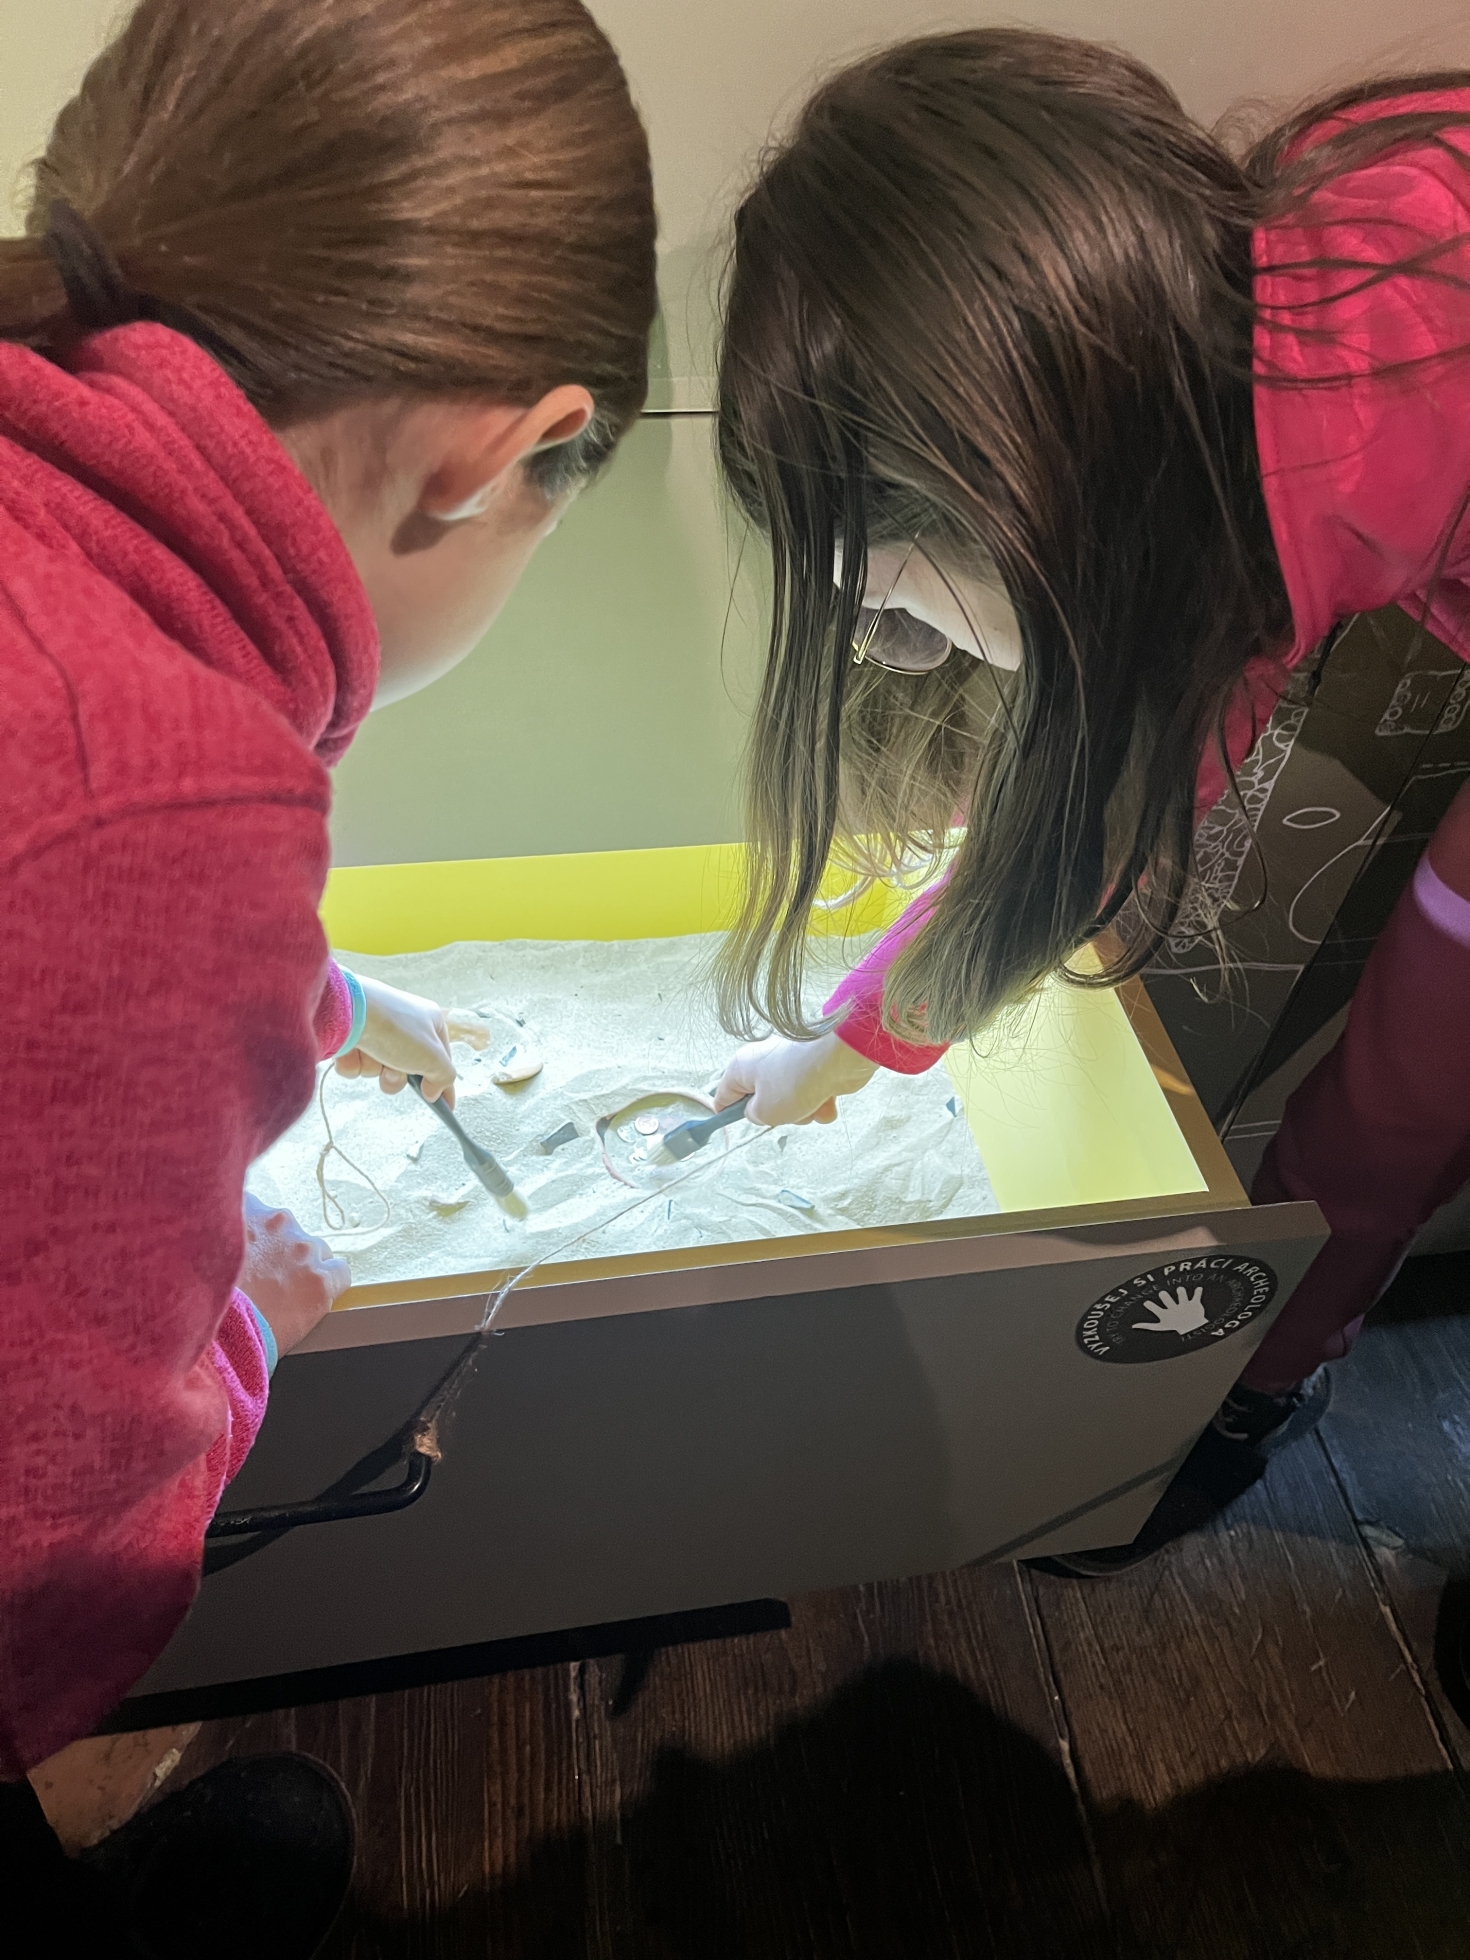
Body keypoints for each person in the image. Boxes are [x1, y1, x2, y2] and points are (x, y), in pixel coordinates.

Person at [0, 0, 655, 1950]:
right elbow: (52, 1542)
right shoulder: (170, 788)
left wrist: (314, 998)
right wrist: (247, 1334)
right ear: (504, 457)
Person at [710, 31, 1470, 1572]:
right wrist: (856, 1039)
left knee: (1409, 1079)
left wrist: (858, 1035)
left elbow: (1107, 805)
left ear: (1033, 518)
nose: (876, 629)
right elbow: (1120, 794)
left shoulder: (1337, 442)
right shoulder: (1209, 371)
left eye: (890, 586)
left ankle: (1255, 1390)